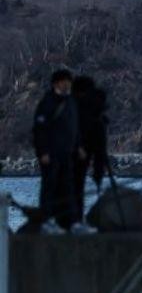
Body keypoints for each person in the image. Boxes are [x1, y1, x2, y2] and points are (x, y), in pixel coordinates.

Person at [33, 69, 83, 232]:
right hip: (51, 153)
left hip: (67, 153)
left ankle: (73, 222)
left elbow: (74, 127)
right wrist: (43, 152)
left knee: (69, 187)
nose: (67, 84)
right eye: (63, 81)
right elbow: (39, 130)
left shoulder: (71, 102)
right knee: (50, 187)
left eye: (68, 81)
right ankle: (46, 221)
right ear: (56, 83)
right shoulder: (47, 103)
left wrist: (79, 146)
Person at [72, 75, 110, 224]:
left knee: (75, 185)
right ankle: (79, 220)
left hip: (79, 148)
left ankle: (74, 219)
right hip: (95, 141)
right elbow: (100, 150)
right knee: (78, 185)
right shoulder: (97, 102)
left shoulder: (76, 105)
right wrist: (99, 172)